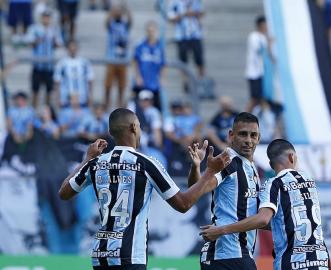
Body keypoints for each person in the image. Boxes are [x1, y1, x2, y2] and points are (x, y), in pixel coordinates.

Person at [58, 108, 231, 270]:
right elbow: (183, 204)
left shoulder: (95, 164)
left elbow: (64, 193)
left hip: (100, 254)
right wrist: (209, 172)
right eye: (139, 126)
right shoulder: (146, 163)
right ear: (134, 127)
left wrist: (86, 159)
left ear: (111, 132)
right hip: (130, 255)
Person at [200, 139, 331, 270]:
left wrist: (221, 230)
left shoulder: (274, 184)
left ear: (270, 164)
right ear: (292, 157)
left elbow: (263, 219)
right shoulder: (309, 181)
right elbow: (289, 221)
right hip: (321, 260)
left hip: (293, 263)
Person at [190, 112, 261, 270]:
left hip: (240, 253)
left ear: (259, 138)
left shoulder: (252, 168)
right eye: (243, 134)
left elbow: (255, 218)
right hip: (225, 254)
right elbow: (197, 191)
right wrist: (195, 167)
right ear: (231, 135)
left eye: (253, 135)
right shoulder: (229, 163)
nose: (248, 140)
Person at [26, 9, 63, 108]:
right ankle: (34, 109)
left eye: (48, 17)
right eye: (44, 17)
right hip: (38, 64)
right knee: (35, 90)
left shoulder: (54, 29)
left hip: (49, 65)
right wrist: (39, 39)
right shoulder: (34, 29)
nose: (46, 19)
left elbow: (59, 44)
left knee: (49, 91)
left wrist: (54, 41)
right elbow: (29, 42)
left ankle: (47, 110)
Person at [167, 0, 205, 92]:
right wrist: (184, 14)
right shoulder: (174, 2)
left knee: (199, 60)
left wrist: (194, 13)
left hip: (196, 34)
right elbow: (171, 18)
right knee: (183, 61)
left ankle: (200, 82)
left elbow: (202, 12)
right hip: (181, 36)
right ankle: (185, 82)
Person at [104, 3, 132, 109]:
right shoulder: (111, 24)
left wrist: (125, 8)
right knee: (108, 84)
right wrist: (113, 11)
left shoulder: (125, 24)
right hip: (111, 57)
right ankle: (106, 103)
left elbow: (130, 21)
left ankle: (119, 104)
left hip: (122, 59)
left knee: (121, 85)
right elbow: (106, 22)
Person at [133, 21, 165, 110]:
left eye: (152, 31)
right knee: (138, 109)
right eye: (149, 31)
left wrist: (162, 79)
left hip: (154, 83)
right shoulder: (141, 45)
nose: (151, 33)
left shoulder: (159, 46)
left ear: (156, 31)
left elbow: (163, 64)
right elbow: (135, 61)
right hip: (142, 82)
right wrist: (138, 76)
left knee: (157, 109)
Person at [245, 15, 274, 112]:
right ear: (260, 25)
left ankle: (267, 120)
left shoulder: (263, 37)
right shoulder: (254, 36)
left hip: (262, 73)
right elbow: (259, 50)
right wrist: (269, 44)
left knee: (260, 99)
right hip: (254, 73)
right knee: (255, 99)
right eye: (265, 25)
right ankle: (241, 120)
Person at [54, 40, 94, 108]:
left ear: (77, 48)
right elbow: (57, 82)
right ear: (67, 49)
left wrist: (90, 97)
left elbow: (90, 80)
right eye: (70, 48)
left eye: (74, 48)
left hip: (82, 100)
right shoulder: (61, 63)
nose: (72, 50)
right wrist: (58, 98)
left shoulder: (85, 62)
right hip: (66, 100)